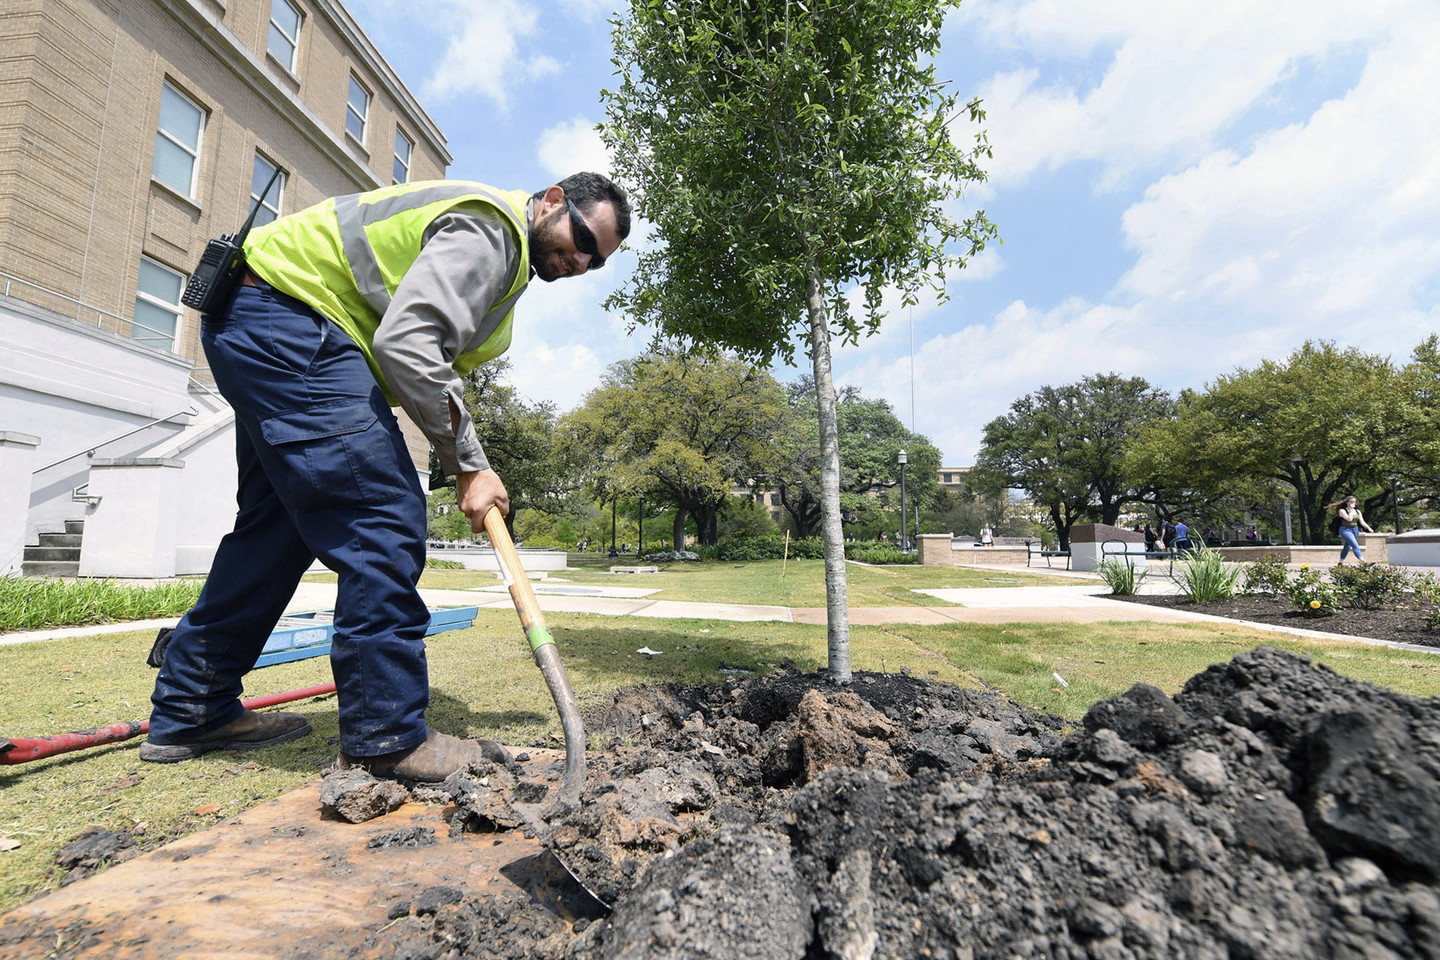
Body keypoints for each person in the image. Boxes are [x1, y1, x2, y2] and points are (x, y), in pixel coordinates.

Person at [139, 173, 631, 782]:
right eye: (582, 238)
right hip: (292, 321)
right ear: (554, 200)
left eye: (596, 260)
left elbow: (408, 357)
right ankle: (386, 735)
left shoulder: (504, 265)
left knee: (276, 532)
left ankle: (193, 704)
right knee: (384, 516)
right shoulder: (491, 232)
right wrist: (472, 463)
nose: (581, 260)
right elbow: (407, 343)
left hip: (258, 321)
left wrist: (462, 463)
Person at [1328, 495, 1374, 562]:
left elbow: (1362, 522)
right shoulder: (1342, 510)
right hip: (1345, 530)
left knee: (1347, 546)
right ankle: (1363, 562)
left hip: (1355, 530)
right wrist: (1351, 511)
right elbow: (1349, 519)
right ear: (1347, 502)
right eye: (1351, 502)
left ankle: (1340, 562)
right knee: (1355, 545)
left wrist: (1369, 528)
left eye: (1354, 502)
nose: (1353, 503)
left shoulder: (1357, 511)